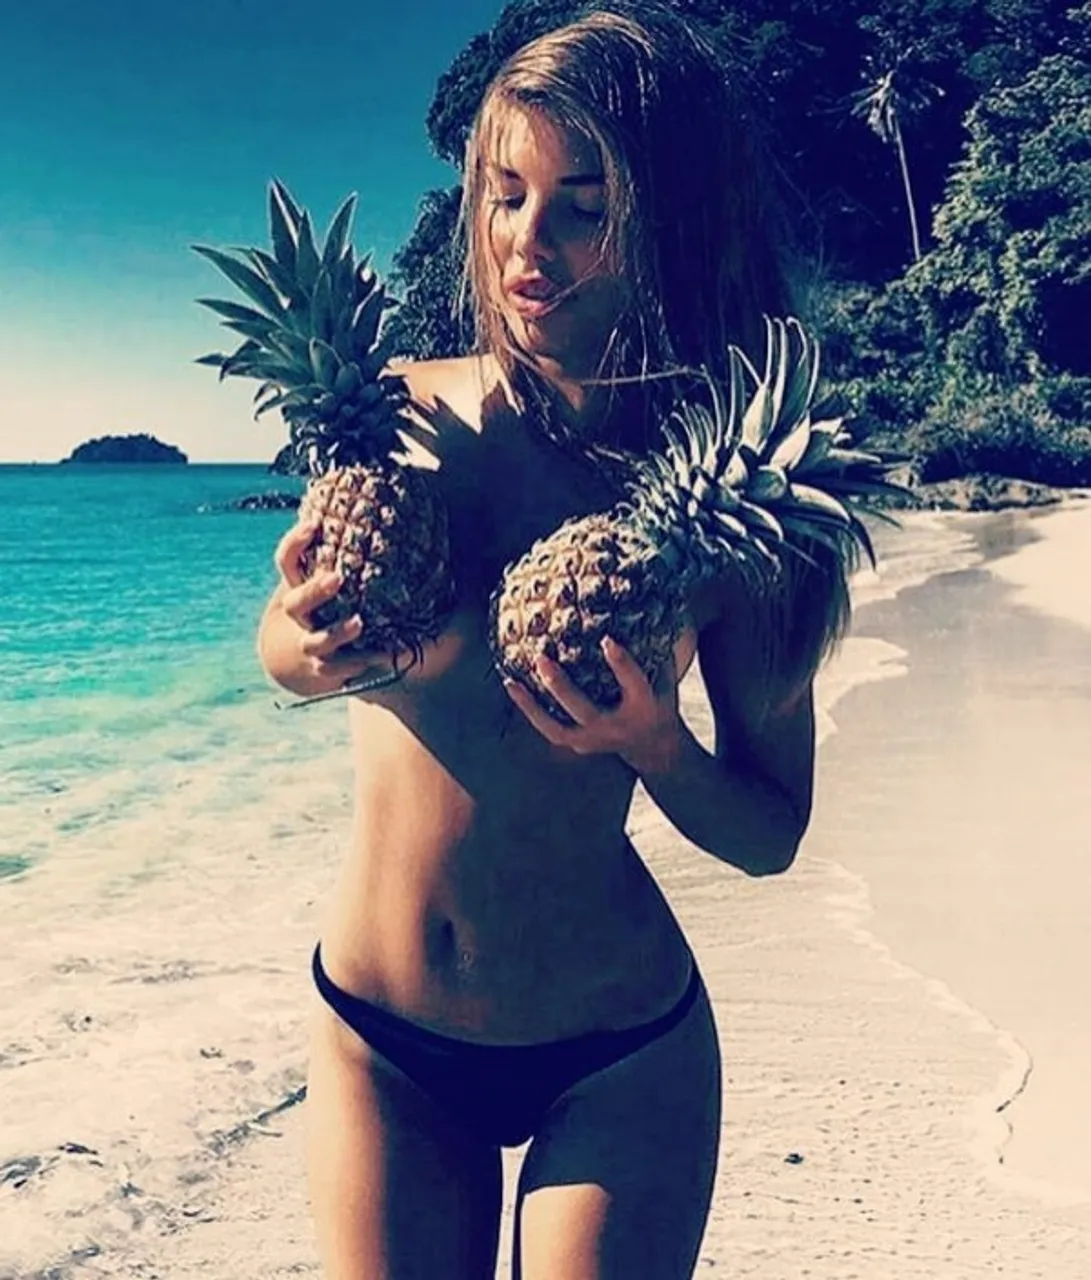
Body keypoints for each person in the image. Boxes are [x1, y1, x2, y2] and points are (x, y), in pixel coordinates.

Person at [259, 6, 852, 1277]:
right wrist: (303, 645)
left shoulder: (719, 505)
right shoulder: (396, 420)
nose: (527, 242)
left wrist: (654, 742)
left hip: (619, 1054)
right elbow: (281, 648)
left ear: (670, 221)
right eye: (505, 193)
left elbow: (768, 831)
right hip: (378, 1035)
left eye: (583, 207)